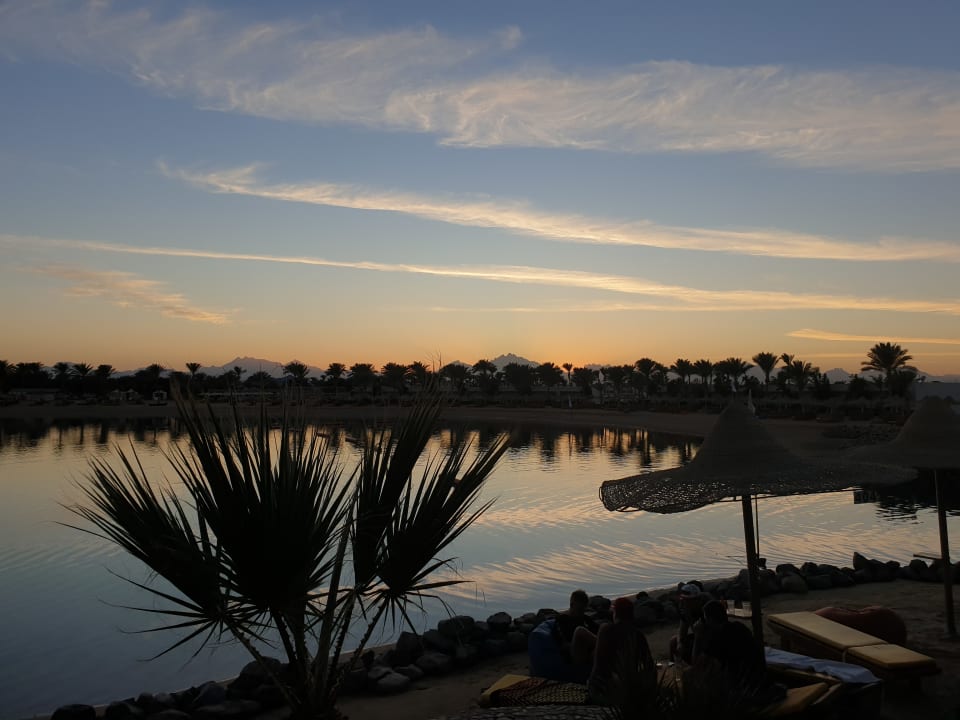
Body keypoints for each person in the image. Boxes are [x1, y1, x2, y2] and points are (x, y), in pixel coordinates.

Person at [588, 596, 655, 705]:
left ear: (616, 613)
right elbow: (649, 666)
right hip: (631, 690)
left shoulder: (606, 630)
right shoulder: (638, 635)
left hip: (605, 692)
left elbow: (598, 666)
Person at [692, 600, 764, 684]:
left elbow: (696, 663)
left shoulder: (717, 639)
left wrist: (697, 636)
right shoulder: (739, 627)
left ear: (710, 620)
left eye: (705, 619)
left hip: (742, 685)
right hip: (758, 677)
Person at [553, 588, 599, 665]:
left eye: (584, 610)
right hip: (574, 655)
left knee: (605, 628)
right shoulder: (561, 620)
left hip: (590, 652)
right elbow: (562, 644)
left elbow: (597, 630)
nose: (582, 613)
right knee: (579, 630)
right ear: (572, 605)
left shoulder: (584, 618)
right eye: (579, 610)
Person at [669, 583, 707, 664]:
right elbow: (682, 630)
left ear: (696, 600)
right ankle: (673, 664)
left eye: (686, 600)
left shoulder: (706, 611)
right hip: (697, 636)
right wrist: (680, 643)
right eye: (682, 599)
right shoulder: (686, 610)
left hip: (708, 640)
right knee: (673, 641)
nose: (682, 603)